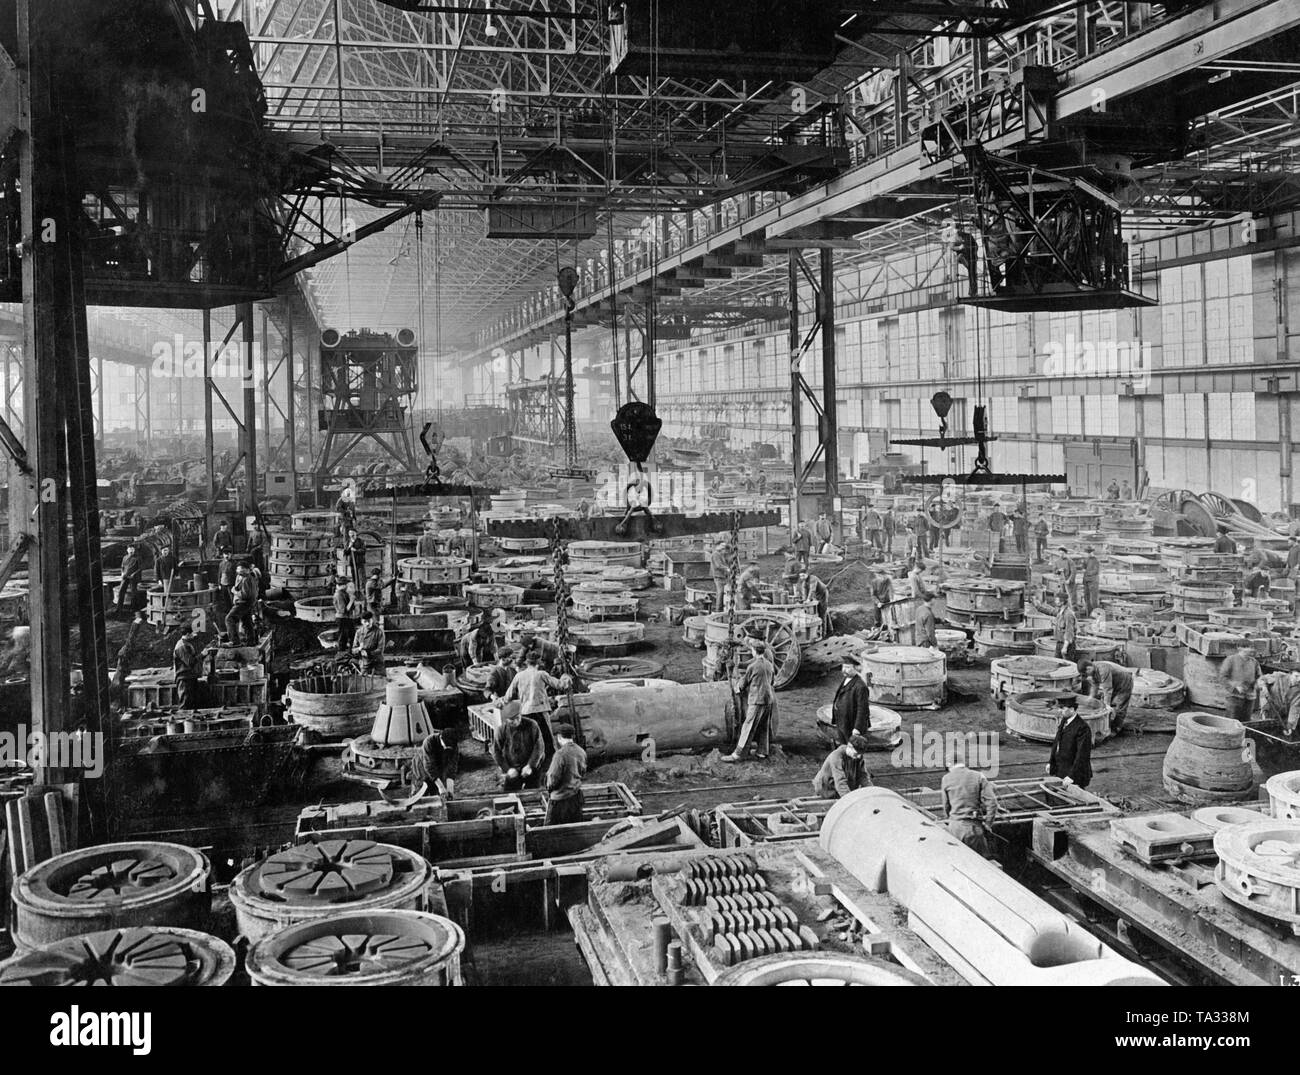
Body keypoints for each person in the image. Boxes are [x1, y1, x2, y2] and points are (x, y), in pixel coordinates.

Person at [503, 649, 571, 761]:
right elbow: (560, 685)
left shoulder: (519, 676)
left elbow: (508, 696)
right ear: (538, 662)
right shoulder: (541, 674)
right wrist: (565, 677)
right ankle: (550, 764)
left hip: (525, 713)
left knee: (528, 740)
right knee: (547, 740)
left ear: (527, 662)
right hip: (540, 712)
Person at [723, 639, 778, 761]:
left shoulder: (753, 667)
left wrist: (736, 688)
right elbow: (772, 682)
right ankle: (762, 752)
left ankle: (739, 754)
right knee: (764, 726)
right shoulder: (769, 665)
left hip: (757, 700)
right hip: (769, 699)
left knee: (748, 725)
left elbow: (743, 683)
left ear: (753, 651)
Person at [940, 758, 998, 856]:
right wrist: (988, 823)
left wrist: (951, 819)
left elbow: (946, 806)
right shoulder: (979, 776)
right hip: (973, 829)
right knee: (980, 862)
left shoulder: (946, 778)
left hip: (954, 827)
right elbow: (992, 802)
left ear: (949, 765)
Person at [491, 701, 544, 790]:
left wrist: (530, 765)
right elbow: (496, 751)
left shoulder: (532, 725)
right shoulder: (502, 730)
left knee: (533, 793)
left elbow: (539, 746)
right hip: (512, 769)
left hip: (531, 767)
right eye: (512, 720)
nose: (515, 722)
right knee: (510, 795)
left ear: (521, 715)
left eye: (517, 718)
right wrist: (507, 769)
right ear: (506, 719)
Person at [544, 723, 588, 825]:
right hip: (575, 797)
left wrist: (549, 788)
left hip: (560, 801)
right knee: (575, 828)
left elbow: (553, 778)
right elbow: (583, 772)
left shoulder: (560, 755)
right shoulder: (581, 752)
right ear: (572, 736)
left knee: (552, 832)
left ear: (559, 737)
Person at [1047, 695, 1092, 788]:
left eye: (1062, 708)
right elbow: (1057, 743)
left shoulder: (1082, 728)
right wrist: (1051, 762)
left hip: (1075, 774)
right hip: (1061, 769)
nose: (1059, 710)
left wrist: (1072, 776)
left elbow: (1082, 755)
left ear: (1072, 709)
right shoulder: (1064, 720)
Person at [1081, 658, 1134, 734]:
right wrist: (1091, 698)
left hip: (1125, 682)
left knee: (1121, 705)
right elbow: (1094, 686)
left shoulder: (1103, 670)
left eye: (1086, 674)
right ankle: (1106, 725)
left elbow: (1108, 690)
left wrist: (1106, 706)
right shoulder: (1092, 670)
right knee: (1102, 704)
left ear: (1088, 668)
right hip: (1114, 682)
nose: (1086, 676)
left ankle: (1116, 728)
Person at [829, 654, 872, 744]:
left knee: (852, 750)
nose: (844, 670)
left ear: (856, 668)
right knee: (844, 746)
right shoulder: (846, 679)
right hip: (843, 722)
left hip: (852, 725)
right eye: (843, 667)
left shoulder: (860, 686)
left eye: (848, 667)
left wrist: (857, 728)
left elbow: (863, 710)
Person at [411, 728, 460, 800]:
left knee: (438, 795)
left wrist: (450, 789)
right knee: (420, 792)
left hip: (438, 766)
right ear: (440, 738)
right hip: (422, 767)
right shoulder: (429, 742)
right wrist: (441, 787)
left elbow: (452, 766)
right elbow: (429, 767)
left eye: (448, 748)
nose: (446, 748)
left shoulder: (453, 746)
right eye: (445, 746)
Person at [1221, 644, 1261, 723]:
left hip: (1249, 697)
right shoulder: (1230, 660)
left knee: (1246, 722)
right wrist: (1234, 689)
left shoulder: (1254, 662)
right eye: (1246, 647)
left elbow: (1259, 676)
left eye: (1250, 647)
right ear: (1239, 648)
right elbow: (1223, 678)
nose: (1249, 649)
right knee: (1231, 722)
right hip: (1234, 697)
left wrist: (1257, 684)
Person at [225, 564, 257, 645]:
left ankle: (234, 641)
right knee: (247, 621)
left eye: (240, 569)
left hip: (243, 603)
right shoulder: (245, 577)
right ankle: (251, 641)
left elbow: (245, 595)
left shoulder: (246, 579)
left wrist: (234, 591)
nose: (238, 571)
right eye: (238, 569)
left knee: (229, 618)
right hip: (248, 603)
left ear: (246, 570)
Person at [172, 626, 202, 711]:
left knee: (192, 704)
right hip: (184, 679)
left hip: (190, 677)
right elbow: (190, 662)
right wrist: (202, 655)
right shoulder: (181, 646)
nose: (194, 635)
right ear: (188, 634)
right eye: (193, 633)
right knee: (185, 704)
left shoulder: (186, 643)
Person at [795, 570, 831, 635]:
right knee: (824, 612)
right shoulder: (804, 583)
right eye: (800, 576)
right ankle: (830, 629)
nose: (802, 577)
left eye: (803, 575)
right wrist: (804, 600)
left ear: (807, 574)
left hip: (823, 594)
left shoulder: (813, 579)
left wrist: (808, 599)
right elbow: (805, 592)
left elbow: (812, 590)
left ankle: (824, 634)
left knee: (822, 613)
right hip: (817, 595)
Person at [333, 579, 358, 653]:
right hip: (342, 618)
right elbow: (343, 610)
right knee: (343, 636)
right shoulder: (338, 595)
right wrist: (351, 600)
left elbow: (350, 608)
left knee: (352, 635)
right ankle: (341, 653)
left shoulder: (344, 593)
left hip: (348, 617)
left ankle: (351, 651)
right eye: (347, 585)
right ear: (343, 585)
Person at [116, 544, 143, 613]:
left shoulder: (137, 558)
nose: (131, 550)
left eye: (132, 549)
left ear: (134, 550)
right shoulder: (124, 557)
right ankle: (119, 608)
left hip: (133, 577)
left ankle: (133, 609)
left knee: (133, 592)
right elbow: (122, 566)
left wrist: (134, 574)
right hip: (125, 576)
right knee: (121, 591)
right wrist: (122, 573)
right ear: (127, 550)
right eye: (130, 549)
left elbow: (140, 568)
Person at [709, 538, 732, 611]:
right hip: (718, 576)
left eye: (724, 546)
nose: (723, 547)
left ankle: (723, 608)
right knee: (720, 593)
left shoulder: (721, 554)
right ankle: (718, 610)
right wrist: (727, 569)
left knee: (724, 592)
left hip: (722, 576)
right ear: (717, 546)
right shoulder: (715, 554)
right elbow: (718, 565)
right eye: (722, 546)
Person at [1081, 546, 1101, 615]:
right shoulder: (1086, 559)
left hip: (1093, 582)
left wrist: (1086, 572)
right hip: (1086, 581)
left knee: (1093, 599)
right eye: (1087, 552)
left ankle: (1095, 614)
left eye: (1089, 552)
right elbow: (1083, 567)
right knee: (1086, 598)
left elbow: (1095, 571)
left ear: (1092, 552)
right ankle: (1088, 613)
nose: (1088, 554)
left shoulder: (1095, 560)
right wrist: (1084, 569)